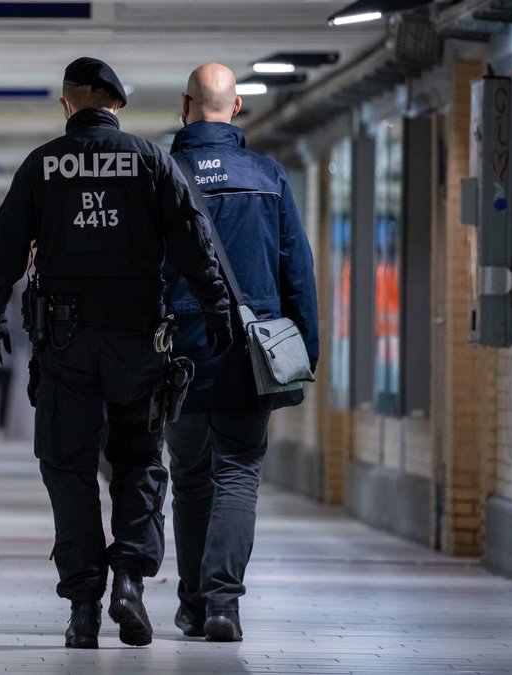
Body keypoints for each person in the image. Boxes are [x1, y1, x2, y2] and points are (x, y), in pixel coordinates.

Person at [0, 57, 232, 650]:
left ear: (69, 104)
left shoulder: (43, 165)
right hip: (138, 341)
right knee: (139, 460)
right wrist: (217, 308)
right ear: (116, 105)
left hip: (64, 344)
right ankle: (129, 582)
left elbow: (5, 248)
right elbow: (193, 241)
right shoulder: (150, 160)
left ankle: (84, 607)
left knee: (67, 467)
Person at [164, 63, 319, 642]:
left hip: (177, 352)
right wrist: (306, 349)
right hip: (250, 357)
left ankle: (192, 603)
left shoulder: (163, 175)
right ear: (236, 109)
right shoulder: (267, 176)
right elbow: (296, 271)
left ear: (185, 106)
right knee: (237, 472)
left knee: (190, 477)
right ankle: (222, 604)